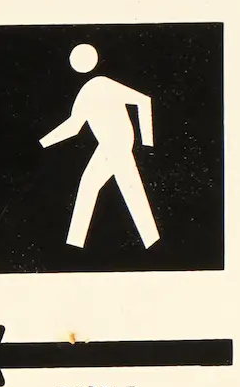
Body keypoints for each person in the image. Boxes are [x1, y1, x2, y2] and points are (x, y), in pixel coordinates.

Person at [40, 43, 159, 249]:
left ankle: (75, 244)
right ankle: (151, 241)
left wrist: (147, 141)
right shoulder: (85, 94)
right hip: (111, 145)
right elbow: (73, 127)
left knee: (100, 186)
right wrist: (43, 142)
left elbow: (143, 100)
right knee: (118, 188)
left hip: (117, 144)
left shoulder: (101, 84)